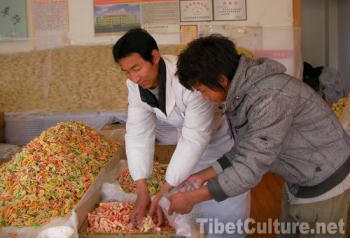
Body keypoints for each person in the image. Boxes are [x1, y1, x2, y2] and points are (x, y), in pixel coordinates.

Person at [171, 34, 350, 237]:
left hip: (325, 177)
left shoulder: (270, 97)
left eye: (203, 90)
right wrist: (201, 176)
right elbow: (246, 147)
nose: (204, 98)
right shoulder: (243, 92)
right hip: (300, 176)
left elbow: (250, 168)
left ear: (221, 80)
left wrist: (191, 198)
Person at [112, 28, 250, 237]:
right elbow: (138, 133)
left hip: (221, 151)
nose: (133, 77)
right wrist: (142, 189)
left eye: (136, 68)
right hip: (188, 159)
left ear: (155, 57)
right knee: (192, 221)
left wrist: (161, 193)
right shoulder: (134, 85)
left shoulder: (187, 79)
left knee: (225, 220)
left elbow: (195, 137)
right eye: (127, 72)